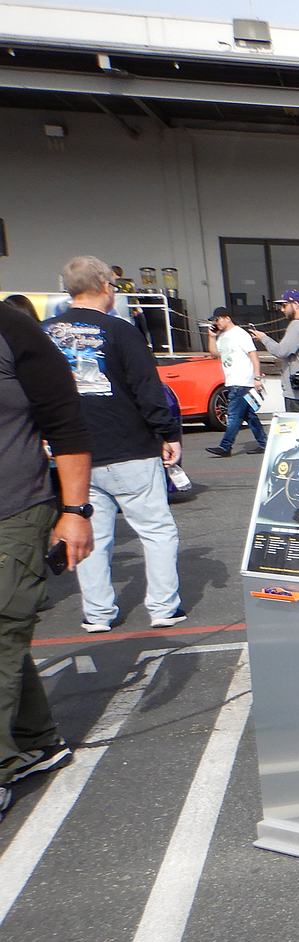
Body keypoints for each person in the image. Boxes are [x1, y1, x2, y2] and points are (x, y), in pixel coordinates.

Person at [42, 256, 184, 633]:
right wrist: (168, 433)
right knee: (155, 530)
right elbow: (147, 389)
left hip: (72, 454)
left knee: (93, 534)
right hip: (129, 446)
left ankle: (99, 613)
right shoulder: (121, 331)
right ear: (106, 286)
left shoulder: (43, 334)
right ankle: (163, 607)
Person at [0, 302, 95, 817]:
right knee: (3, 635)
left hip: (13, 510)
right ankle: (36, 740)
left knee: (0, 625)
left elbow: (67, 424)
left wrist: (76, 510)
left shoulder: (10, 327)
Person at [204, 307, 267, 457]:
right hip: (232, 380)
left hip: (242, 380)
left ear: (227, 318)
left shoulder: (240, 334)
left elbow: (253, 355)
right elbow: (214, 354)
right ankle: (264, 442)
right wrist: (211, 337)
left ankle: (225, 446)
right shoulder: (223, 336)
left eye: (217, 319)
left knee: (233, 415)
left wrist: (257, 377)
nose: (216, 323)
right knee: (249, 415)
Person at [251, 289, 299, 413]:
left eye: (284, 305)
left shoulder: (297, 325)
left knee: (295, 430)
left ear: (296, 305)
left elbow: (281, 351)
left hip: (298, 393)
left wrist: (263, 338)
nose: (282, 310)